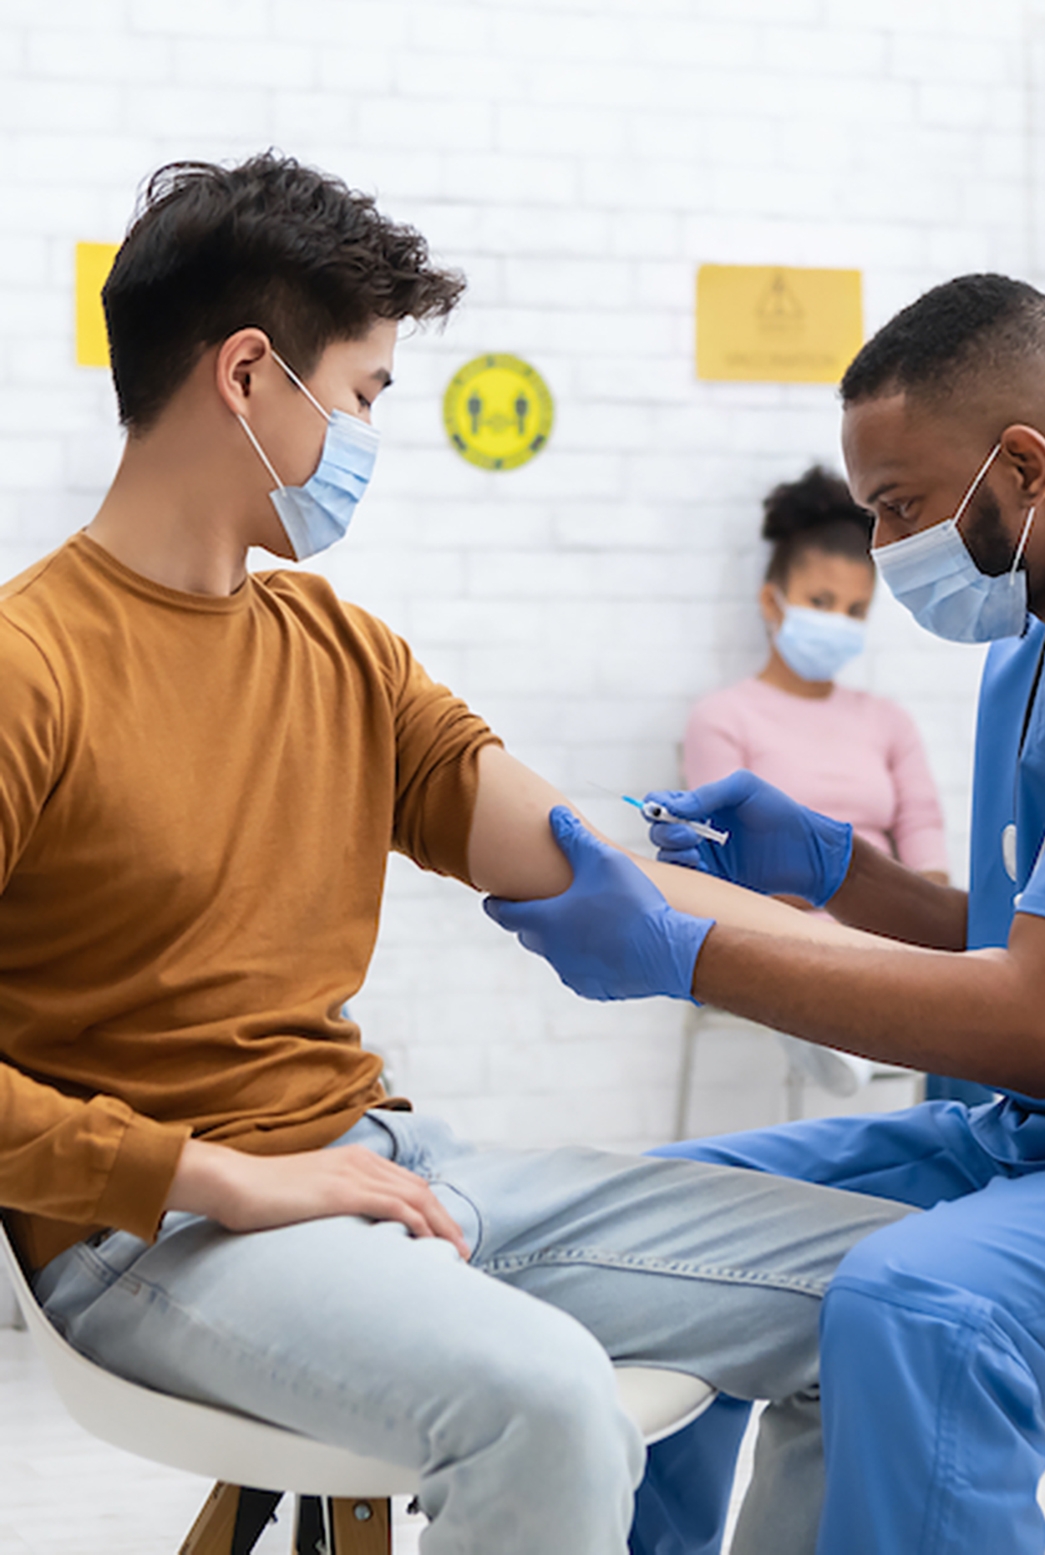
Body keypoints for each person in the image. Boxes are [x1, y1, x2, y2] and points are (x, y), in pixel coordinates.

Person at [0, 154, 912, 1555]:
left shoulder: (341, 656)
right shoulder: (29, 665)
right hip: (157, 1237)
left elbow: (585, 859)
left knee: (903, 1294)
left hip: (387, 1164)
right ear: (248, 375)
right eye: (362, 394)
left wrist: (984, 978)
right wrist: (220, 1176)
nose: (370, 436)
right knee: (550, 1403)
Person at [485, 273, 1045, 1555]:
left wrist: (690, 953)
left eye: (901, 507)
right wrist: (836, 866)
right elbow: (1032, 935)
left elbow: (1036, 1021)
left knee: (920, 1305)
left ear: (1020, 464)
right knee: (645, 1228)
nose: (890, 548)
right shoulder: (1028, 658)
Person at [683, 464, 948, 1101]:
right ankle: (840, 1027)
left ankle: (845, 1028)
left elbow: (925, 839)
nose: (838, 621)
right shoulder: (724, 717)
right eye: (821, 603)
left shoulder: (888, 722)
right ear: (772, 601)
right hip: (778, 920)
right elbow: (725, 860)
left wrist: (913, 908)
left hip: (887, 924)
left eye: (855, 610)